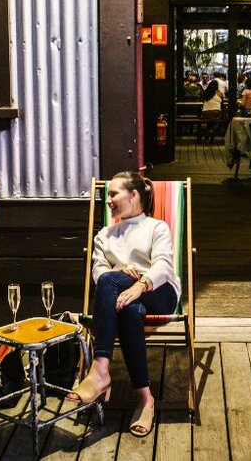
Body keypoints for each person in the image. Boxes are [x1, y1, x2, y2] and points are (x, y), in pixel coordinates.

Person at [67, 172, 180, 438]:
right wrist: (120, 271)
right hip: (123, 298)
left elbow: (164, 266)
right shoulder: (105, 235)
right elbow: (99, 273)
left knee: (113, 283)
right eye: (108, 195)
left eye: (113, 193)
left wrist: (139, 284)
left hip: (158, 292)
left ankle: (100, 370)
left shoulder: (156, 227)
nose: (109, 200)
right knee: (129, 310)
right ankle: (145, 399)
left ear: (134, 195)